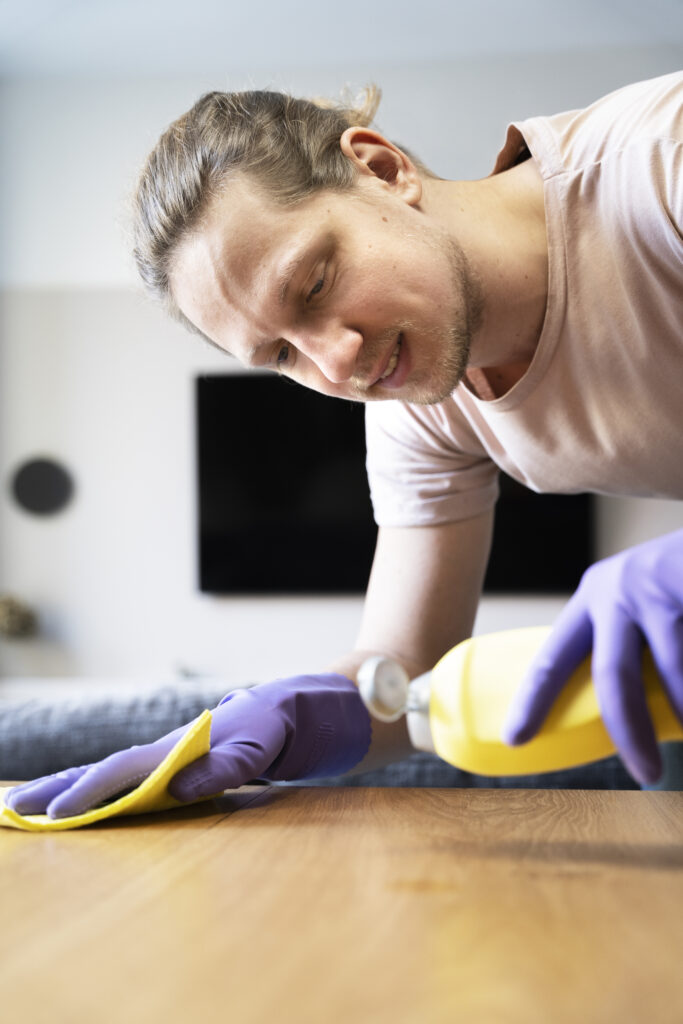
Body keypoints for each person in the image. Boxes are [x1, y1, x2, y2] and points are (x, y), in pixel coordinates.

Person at [7, 71, 682, 819]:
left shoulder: (656, 164)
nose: (335, 365)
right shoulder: (417, 403)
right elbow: (408, 670)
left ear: (382, 169)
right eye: (282, 357)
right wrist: (300, 716)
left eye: (315, 284)